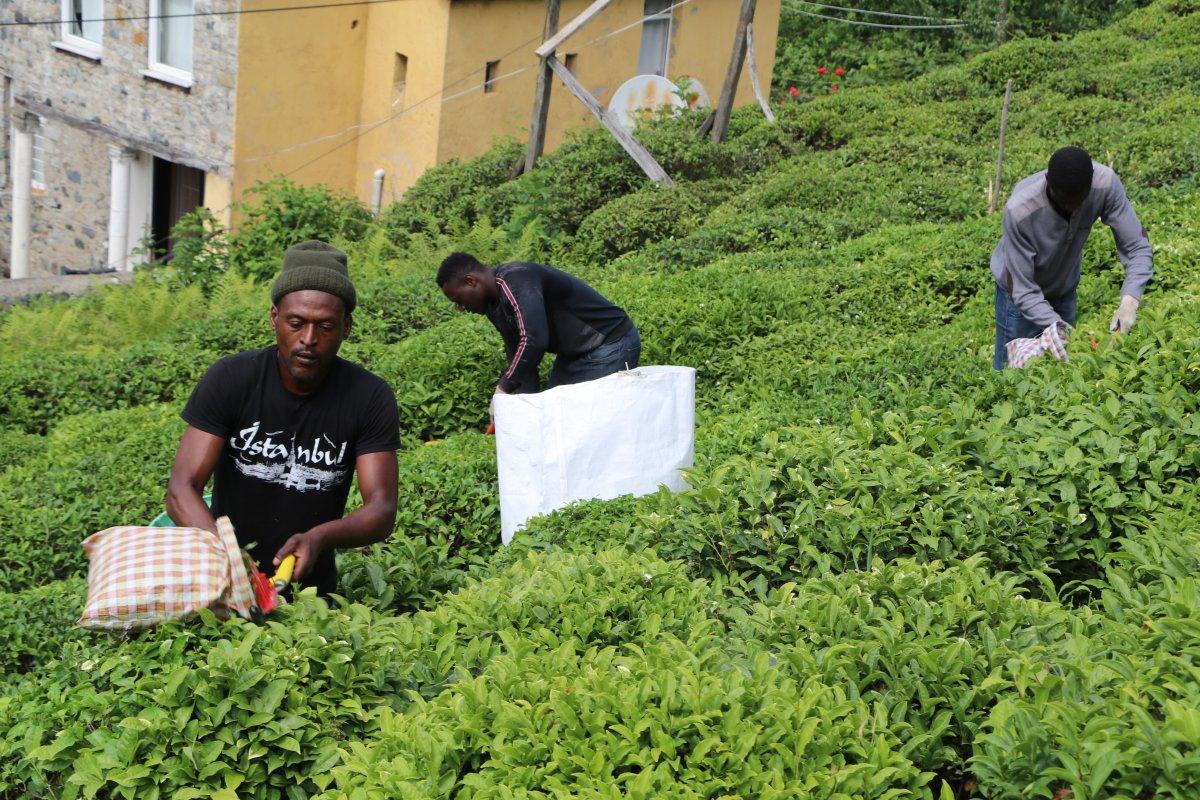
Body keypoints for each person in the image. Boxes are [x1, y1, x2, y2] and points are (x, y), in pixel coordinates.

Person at [166, 241, 400, 596]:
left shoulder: (368, 398)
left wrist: (320, 536)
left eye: (325, 326)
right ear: (275, 318)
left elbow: (381, 509)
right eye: (296, 323)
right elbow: (181, 488)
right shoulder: (231, 379)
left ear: (346, 328)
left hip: (311, 598)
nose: (308, 339)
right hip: (221, 586)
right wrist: (231, 559)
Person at [991, 146, 1153, 369]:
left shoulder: (1104, 184)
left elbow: (1137, 247)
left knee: (1064, 368)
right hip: (1018, 294)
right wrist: (1061, 329)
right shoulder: (1020, 210)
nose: (1073, 209)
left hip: (1063, 288)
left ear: (1090, 184)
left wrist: (1129, 302)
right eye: (1064, 202)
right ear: (1048, 182)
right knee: (1011, 372)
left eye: (1080, 201)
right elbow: (1023, 288)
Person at [436, 252, 640, 403]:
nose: (461, 308)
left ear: (471, 281)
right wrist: (520, 405)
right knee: (550, 413)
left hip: (609, 343)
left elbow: (534, 339)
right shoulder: (492, 304)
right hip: (574, 354)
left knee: (577, 418)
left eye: (459, 299)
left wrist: (503, 388)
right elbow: (518, 353)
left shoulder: (515, 279)